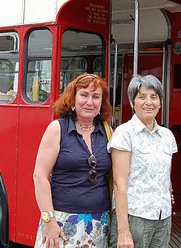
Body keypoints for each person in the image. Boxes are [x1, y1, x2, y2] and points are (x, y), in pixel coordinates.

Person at [33, 73, 114, 248]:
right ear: (73, 98)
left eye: (96, 97)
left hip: (99, 223)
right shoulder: (57, 129)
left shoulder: (108, 133)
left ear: (102, 103)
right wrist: (49, 221)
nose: (89, 102)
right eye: (84, 95)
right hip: (62, 222)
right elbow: (40, 177)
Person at [108, 75, 177, 248]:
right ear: (132, 102)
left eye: (154, 97)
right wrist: (123, 231)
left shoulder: (167, 136)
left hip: (163, 217)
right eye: (142, 97)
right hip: (134, 218)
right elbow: (119, 184)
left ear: (160, 102)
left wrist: (167, 192)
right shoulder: (124, 134)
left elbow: (166, 174)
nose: (149, 102)